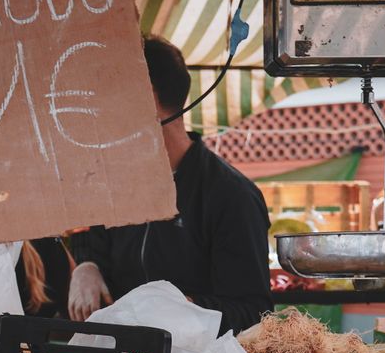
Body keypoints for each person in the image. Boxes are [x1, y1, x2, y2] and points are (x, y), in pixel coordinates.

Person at [67, 36, 272, 333]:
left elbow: (252, 313)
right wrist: (87, 266)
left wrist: (178, 310)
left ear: (144, 97)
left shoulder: (231, 196)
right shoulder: (117, 185)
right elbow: (91, 238)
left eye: (108, 98)